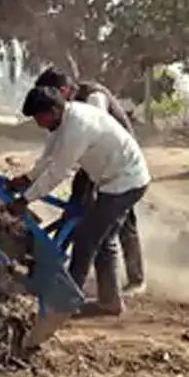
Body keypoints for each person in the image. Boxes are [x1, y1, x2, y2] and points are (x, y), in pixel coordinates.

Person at [7, 86, 151, 346]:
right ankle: (110, 301)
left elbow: (58, 172)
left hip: (126, 181)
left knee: (85, 239)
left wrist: (26, 199)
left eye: (39, 119)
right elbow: (48, 159)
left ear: (52, 111)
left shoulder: (78, 126)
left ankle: (63, 304)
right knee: (103, 239)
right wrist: (27, 179)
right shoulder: (61, 123)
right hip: (110, 180)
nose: (39, 125)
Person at [33, 67, 145, 294]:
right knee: (79, 211)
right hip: (98, 163)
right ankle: (64, 269)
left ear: (63, 90)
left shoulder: (94, 98)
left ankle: (136, 278)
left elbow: (87, 136)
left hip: (117, 164)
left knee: (118, 223)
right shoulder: (67, 110)